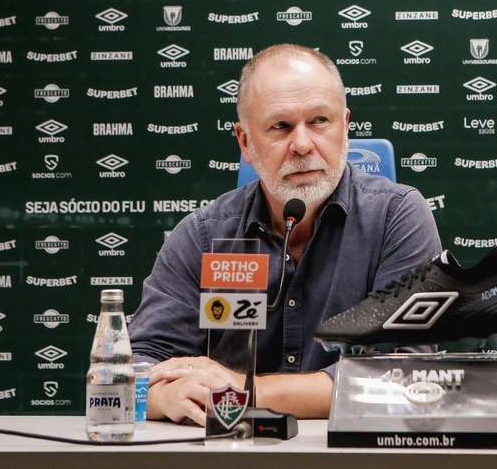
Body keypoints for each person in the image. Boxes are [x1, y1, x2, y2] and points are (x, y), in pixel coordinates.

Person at [128, 43, 442, 426]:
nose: (303, 145)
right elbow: (132, 368)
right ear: (245, 142)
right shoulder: (202, 235)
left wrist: (242, 389)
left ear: (345, 127)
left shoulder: (397, 217)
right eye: (280, 126)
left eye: (320, 121)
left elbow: (411, 376)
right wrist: (164, 394)